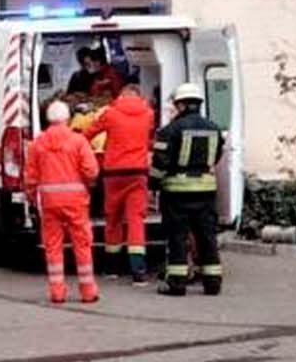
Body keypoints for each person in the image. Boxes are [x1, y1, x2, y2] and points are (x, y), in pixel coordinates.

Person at [150, 81, 225, 296]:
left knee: (178, 237)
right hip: (206, 190)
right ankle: (212, 282)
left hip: (176, 192)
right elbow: (217, 156)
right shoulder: (214, 128)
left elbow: (160, 164)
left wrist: (153, 184)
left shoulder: (169, 130)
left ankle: (177, 283)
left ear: (181, 105)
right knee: (206, 236)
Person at [23, 98, 100, 304]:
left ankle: (57, 292)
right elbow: (91, 171)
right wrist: (88, 184)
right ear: (67, 118)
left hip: (49, 203)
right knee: (82, 244)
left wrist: (31, 197)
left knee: (53, 247)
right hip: (76, 202)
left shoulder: (38, 143)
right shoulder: (78, 141)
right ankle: (88, 291)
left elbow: (30, 176)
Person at [93, 74, 156, 283]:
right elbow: (150, 140)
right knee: (136, 219)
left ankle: (112, 267)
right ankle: (138, 271)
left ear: (121, 96)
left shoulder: (110, 113)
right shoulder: (148, 114)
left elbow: (89, 132)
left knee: (113, 219)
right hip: (138, 173)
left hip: (114, 174)